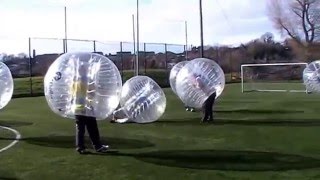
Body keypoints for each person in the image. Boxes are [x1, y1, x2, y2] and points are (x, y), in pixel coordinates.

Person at [71, 62, 109, 154]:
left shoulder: (74, 81)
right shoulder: (85, 80)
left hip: (77, 108)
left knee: (81, 129)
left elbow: (73, 95)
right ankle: (97, 146)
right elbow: (90, 93)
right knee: (92, 128)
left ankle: (80, 147)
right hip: (86, 108)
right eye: (84, 69)